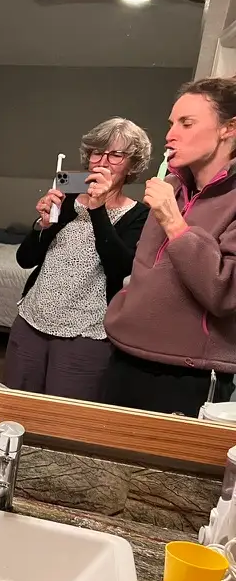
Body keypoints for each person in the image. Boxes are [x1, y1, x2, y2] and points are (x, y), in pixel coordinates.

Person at [104, 78, 236, 415]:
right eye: (171, 123)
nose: (170, 135)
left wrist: (175, 223)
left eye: (186, 123)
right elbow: (144, 269)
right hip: (125, 356)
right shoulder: (171, 188)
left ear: (229, 129)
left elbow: (225, 292)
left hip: (187, 373)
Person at [4, 118, 151, 401]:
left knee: (65, 422)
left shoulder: (139, 216)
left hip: (87, 335)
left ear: (132, 165)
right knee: (15, 409)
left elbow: (120, 270)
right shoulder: (67, 199)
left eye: (116, 155)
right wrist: (42, 225)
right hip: (31, 321)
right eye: (97, 152)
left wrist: (98, 209)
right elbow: (25, 259)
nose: (103, 161)